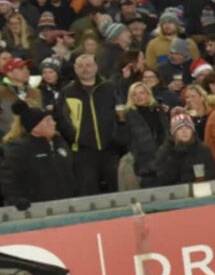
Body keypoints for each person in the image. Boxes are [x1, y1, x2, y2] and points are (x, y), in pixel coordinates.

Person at [63, 54, 121, 195]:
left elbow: (120, 113)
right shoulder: (67, 92)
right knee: (88, 192)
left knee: (114, 191)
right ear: (75, 69)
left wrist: (117, 137)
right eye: (81, 66)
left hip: (110, 150)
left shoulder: (110, 87)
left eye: (88, 65)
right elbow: (62, 119)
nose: (85, 69)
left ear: (96, 67)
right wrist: (76, 138)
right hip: (83, 153)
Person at [0, 102, 77, 209]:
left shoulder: (60, 142)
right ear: (35, 127)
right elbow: (9, 178)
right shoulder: (20, 149)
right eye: (47, 121)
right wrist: (16, 199)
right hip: (36, 208)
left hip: (68, 204)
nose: (53, 123)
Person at [116, 81, 170, 188]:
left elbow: (167, 132)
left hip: (164, 161)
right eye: (134, 94)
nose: (138, 97)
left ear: (148, 94)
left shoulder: (159, 111)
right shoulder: (127, 115)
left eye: (142, 93)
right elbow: (121, 140)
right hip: (142, 165)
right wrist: (121, 123)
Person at [153, 108, 215, 185]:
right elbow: (163, 179)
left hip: (200, 188)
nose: (184, 132)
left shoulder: (202, 149)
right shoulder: (165, 151)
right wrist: (176, 156)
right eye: (179, 129)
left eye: (187, 128)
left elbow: (211, 172)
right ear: (173, 133)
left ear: (192, 131)